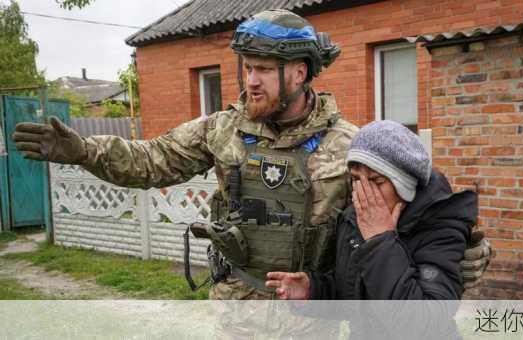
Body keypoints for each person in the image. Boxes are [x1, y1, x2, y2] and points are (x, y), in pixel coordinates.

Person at [12, 10, 489, 303]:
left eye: (263, 70)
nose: (250, 81)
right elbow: (151, 159)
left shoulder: (351, 145)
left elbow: (413, 209)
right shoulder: (222, 130)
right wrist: (84, 150)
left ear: (299, 73)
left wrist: (463, 253)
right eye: (247, 69)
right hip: (237, 307)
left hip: (312, 316)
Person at [265, 120, 476, 337]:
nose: (363, 191)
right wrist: (312, 291)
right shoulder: (354, 219)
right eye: (356, 179)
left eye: (376, 180)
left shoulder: (440, 227)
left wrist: (380, 240)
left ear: (404, 183)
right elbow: (356, 295)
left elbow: (419, 323)